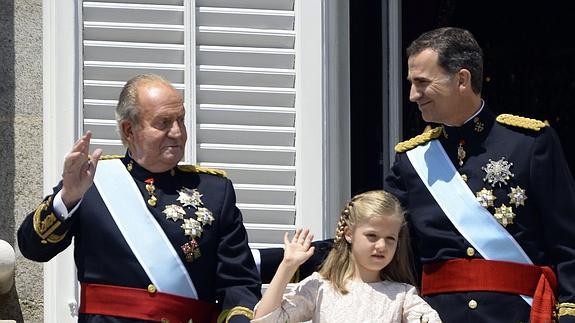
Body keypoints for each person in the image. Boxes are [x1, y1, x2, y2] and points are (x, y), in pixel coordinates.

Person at [259, 27, 575, 322]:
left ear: (462, 80)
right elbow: (365, 234)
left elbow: (567, 240)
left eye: (422, 82)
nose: (412, 94)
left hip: (517, 312)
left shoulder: (529, 144)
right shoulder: (413, 160)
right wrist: (262, 261)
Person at [17, 74, 261, 322]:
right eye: (163, 123)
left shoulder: (214, 191)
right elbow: (33, 249)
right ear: (129, 129)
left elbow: (238, 283)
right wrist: (68, 197)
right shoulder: (91, 183)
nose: (177, 132)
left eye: (181, 120)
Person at [252, 190, 441, 323]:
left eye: (390, 238)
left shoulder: (403, 295)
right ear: (349, 234)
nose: (381, 246)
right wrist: (287, 266)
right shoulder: (321, 287)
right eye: (372, 236)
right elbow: (265, 319)